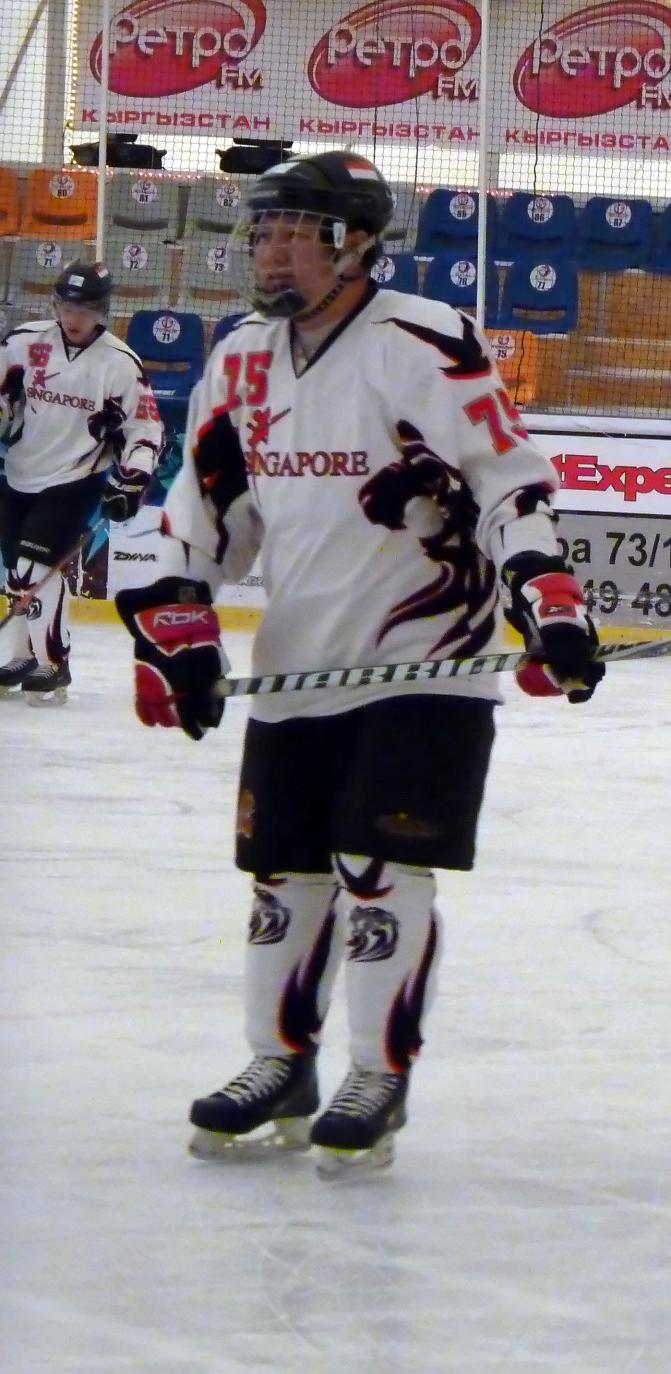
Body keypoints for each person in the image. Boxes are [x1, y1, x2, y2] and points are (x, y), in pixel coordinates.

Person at [114, 151, 605, 1176]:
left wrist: (548, 601)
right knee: (281, 878)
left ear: (354, 243)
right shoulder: (240, 359)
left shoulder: (423, 340)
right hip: (300, 661)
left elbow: (506, 481)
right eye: (261, 232)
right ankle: (278, 1062)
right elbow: (206, 513)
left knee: (379, 870)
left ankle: (377, 1075)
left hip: (428, 659)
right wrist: (179, 629)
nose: (268, 251)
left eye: (293, 232)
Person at [0, 261, 164, 701]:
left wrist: (133, 478)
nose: (74, 318)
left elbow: (146, 429)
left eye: (85, 310)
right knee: (17, 574)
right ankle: (23, 655)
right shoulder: (23, 342)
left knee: (33, 568)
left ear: (101, 311)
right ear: (56, 304)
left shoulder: (120, 363)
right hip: (20, 472)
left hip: (76, 477)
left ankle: (54, 662)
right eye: (67, 307)